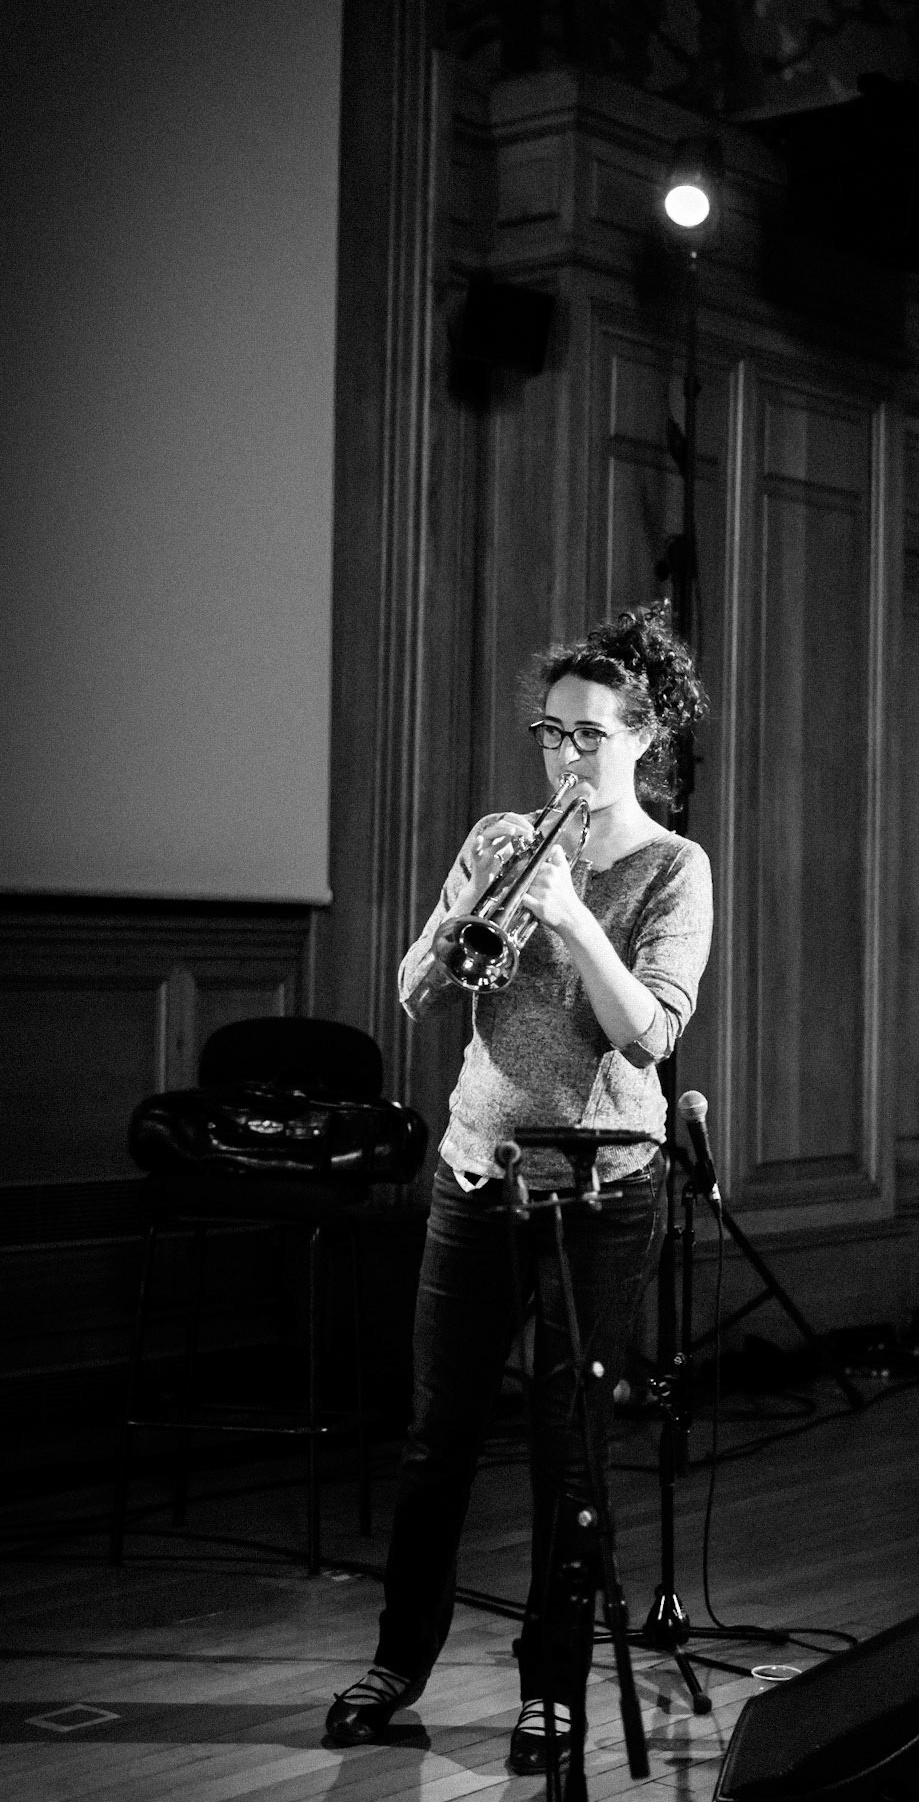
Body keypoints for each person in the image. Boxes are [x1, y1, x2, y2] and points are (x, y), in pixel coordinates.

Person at [325, 602, 713, 1771]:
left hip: (603, 1194)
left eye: (590, 736)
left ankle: (552, 1688)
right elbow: (410, 991)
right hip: (476, 1173)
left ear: (643, 738)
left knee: (568, 1453)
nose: (566, 757)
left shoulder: (673, 867)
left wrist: (575, 923)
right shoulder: (500, 836)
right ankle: (399, 1658)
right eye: (552, 733)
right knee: (435, 1437)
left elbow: (645, 1033)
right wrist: (453, 942)